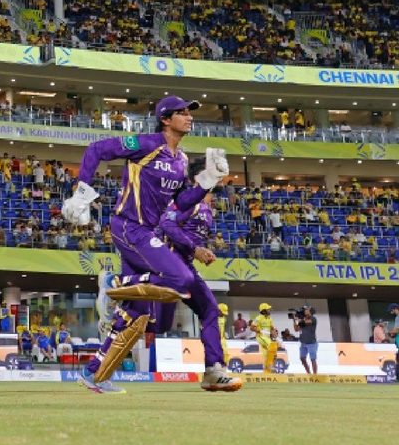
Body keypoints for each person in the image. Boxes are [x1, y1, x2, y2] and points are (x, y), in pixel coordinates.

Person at [61, 95, 228, 394]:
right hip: (129, 226)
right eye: (182, 112)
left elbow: (181, 202)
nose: (189, 117)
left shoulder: (181, 160)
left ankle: (94, 373)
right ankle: (116, 283)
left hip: (145, 232)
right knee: (181, 278)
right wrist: (82, 192)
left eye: (189, 113)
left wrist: (208, 181)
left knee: (136, 313)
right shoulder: (146, 144)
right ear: (165, 119)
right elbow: (96, 149)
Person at [156, 177, 242, 391]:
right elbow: (166, 224)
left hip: (185, 267)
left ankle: (213, 370)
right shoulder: (189, 202)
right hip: (168, 265)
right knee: (154, 324)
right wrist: (194, 249)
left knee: (210, 310)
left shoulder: (207, 210)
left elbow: (189, 238)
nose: (220, 178)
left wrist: (201, 251)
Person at [250, 303, 280, 373]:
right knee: (272, 346)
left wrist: (275, 333)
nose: (270, 310)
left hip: (267, 338)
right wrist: (260, 331)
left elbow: (272, 328)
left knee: (269, 354)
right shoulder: (258, 318)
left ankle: (267, 371)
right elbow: (252, 327)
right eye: (268, 309)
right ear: (264, 311)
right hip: (261, 336)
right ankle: (270, 366)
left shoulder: (269, 318)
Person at [292, 305, 318, 374]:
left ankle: (315, 375)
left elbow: (307, 322)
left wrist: (298, 319)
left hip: (311, 343)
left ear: (310, 311)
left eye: (306, 310)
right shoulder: (302, 320)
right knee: (302, 358)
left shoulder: (313, 318)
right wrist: (294, 320)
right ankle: (308, 373)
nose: (304, 311)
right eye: (304, 310)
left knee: (313, 359)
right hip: (303, 343)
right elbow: (296, 329)